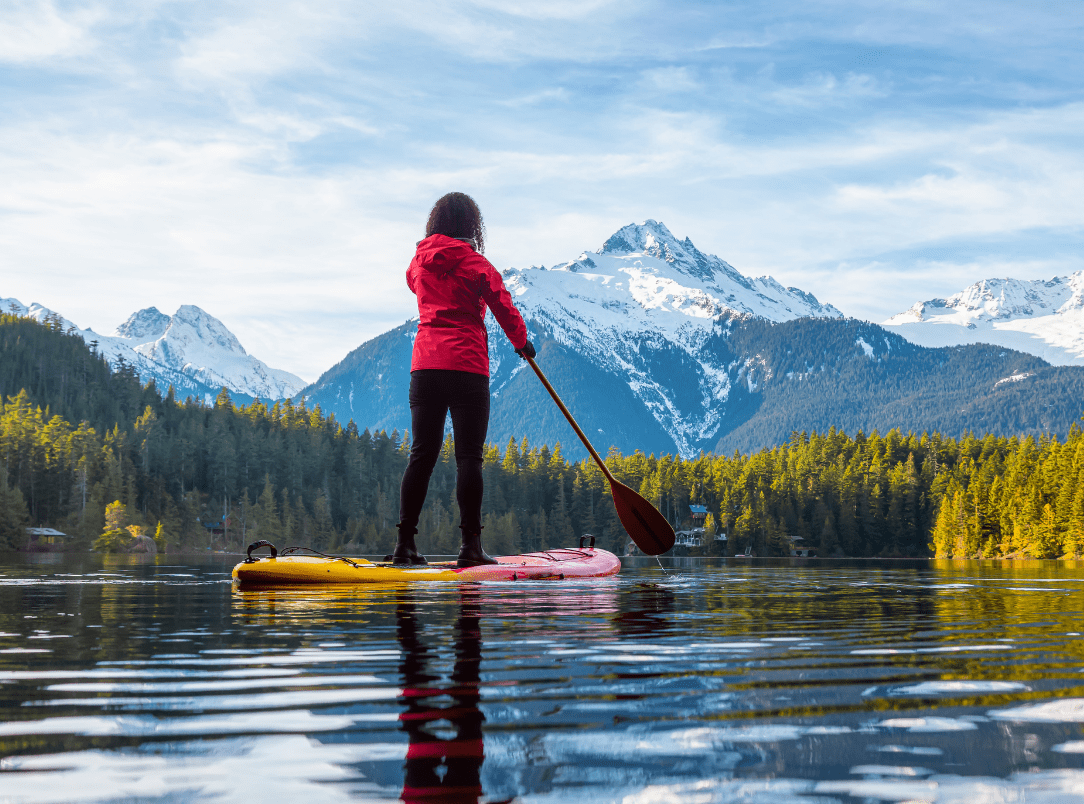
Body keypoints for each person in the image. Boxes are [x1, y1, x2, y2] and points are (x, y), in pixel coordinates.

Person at [393, 192, 535, 567]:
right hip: (467, 366)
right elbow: (502, 304)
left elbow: (414, 283)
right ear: (472, 227)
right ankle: (470, 548)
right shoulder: (477, 264)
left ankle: (405, 545)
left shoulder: (417, 265)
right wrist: (522, 343)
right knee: (468, 458)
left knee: (421, 454)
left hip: (424, 366)